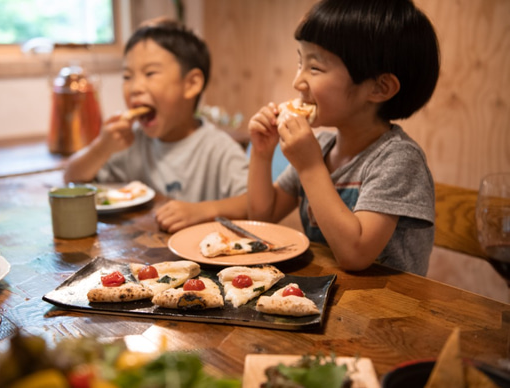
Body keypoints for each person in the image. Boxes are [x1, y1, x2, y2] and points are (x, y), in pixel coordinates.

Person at [247, 0, 440, 275]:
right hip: (328, 296)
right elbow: (262, 217)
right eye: (300, 62)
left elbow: (355, 254)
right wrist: (262, 153)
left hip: (388, 310)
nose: (297, 82)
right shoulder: (323, 146)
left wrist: (311, 167)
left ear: (379, 87)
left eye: (314, 68)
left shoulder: (398, 159)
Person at [64, 19, 248, 233]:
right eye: (127, 76)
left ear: (191, 84)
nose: (134, 88)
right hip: (143, 250)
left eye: (150, 73)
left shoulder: (218, 148)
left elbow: (252, 203)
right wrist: (102, 147)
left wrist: (203, 210)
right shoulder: (131, 140)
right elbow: (72, 177)